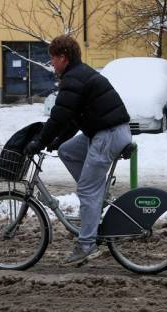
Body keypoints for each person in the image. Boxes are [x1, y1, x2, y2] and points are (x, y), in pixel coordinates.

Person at [24, 35, 131, 265]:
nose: (52, 63)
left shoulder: (73, 79)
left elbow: (59, 116)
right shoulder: (78, 75)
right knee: (67, 151)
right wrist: (56, 141)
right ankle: (97, 193)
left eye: (53, 58)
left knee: (86, 190)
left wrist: (39, 142)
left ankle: (87, 245)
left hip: (108, 134)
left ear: (63, 57)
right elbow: (72, 119)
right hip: (106, 132)